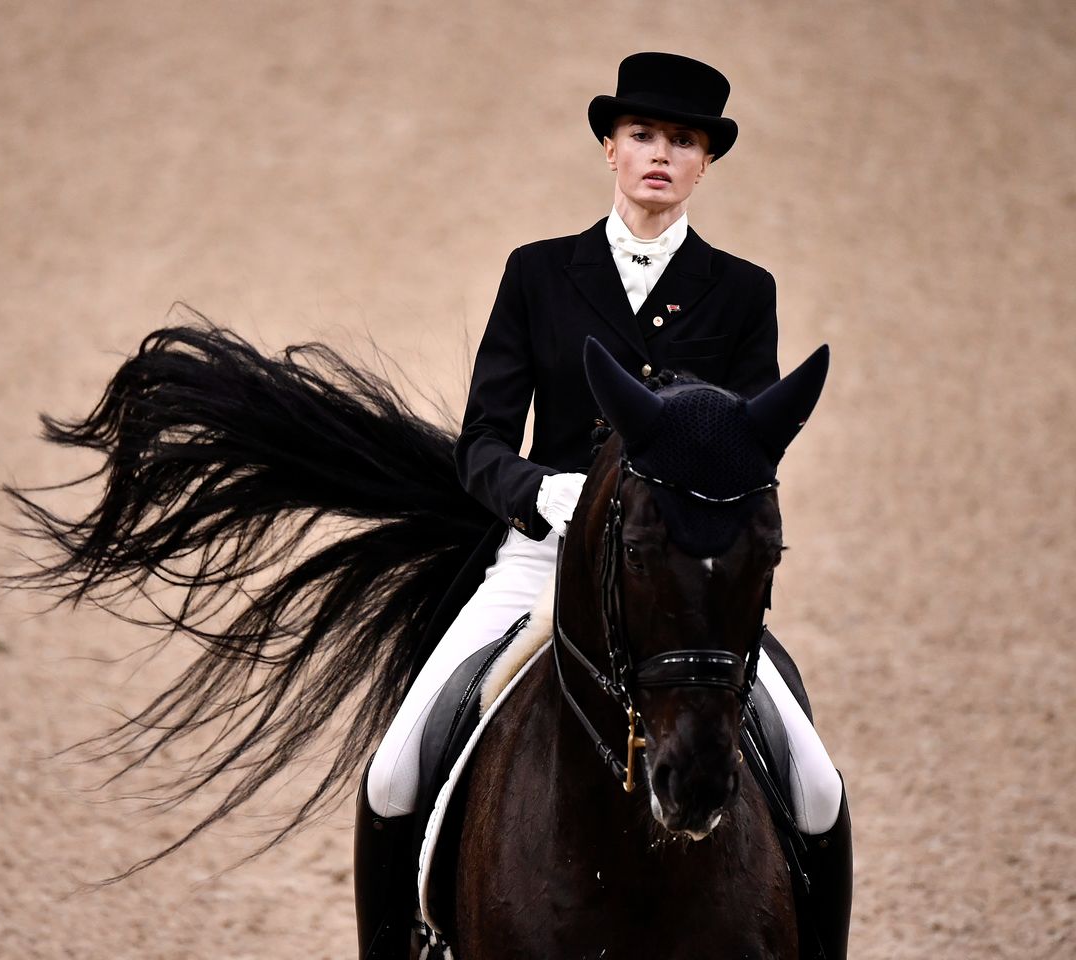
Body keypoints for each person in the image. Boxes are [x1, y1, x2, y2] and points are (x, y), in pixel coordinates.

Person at [354, 52, 852, 959]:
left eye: (683, 141)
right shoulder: (539, 274)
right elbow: (482, 446)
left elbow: (754, 448)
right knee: (396, 769)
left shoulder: (744, 293)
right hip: (545, 560)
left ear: (706, 164)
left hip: (689, 582)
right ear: (610, 150)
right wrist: (542, 490)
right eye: (643, 135)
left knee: (816, 788)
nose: (661, 153)